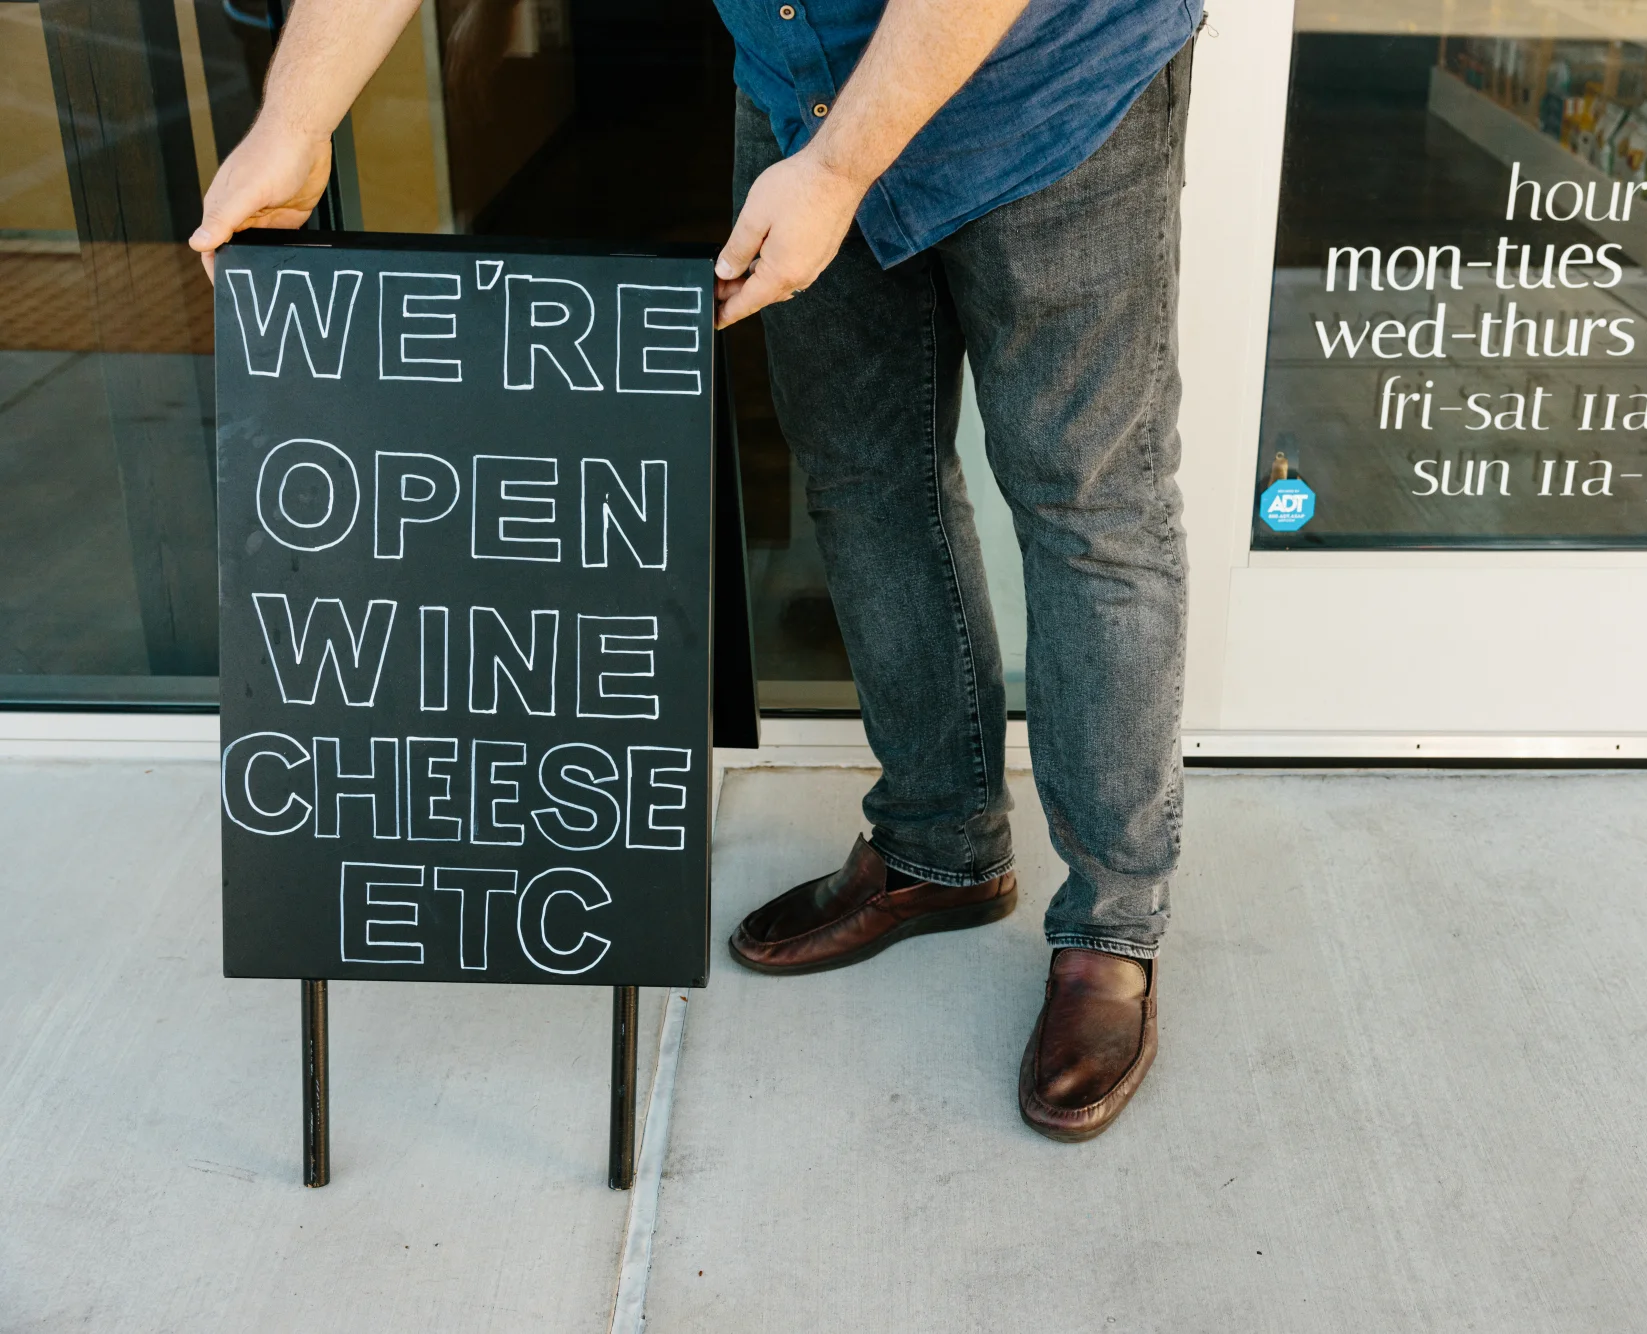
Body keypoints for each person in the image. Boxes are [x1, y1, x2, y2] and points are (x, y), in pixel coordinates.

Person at [191, 0, 1197, 1142]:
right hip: (802, 87)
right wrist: (296, 118)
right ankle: (938, 845)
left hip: (1053, 93)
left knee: (1087, 508)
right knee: (863, 477)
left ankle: (1110, 930)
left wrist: (837, 169)